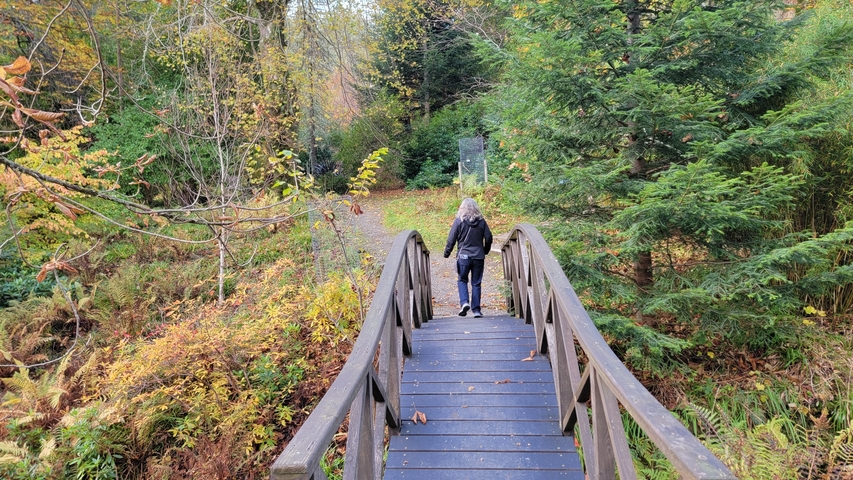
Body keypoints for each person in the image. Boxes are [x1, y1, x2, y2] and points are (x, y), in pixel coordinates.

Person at [443, 198, 493, 317]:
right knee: (476, 283)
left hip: (464, 256)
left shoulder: (459, 221)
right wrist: (485, 250)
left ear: (462, 208)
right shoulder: (481, 221)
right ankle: (476, 310)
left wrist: (447, 253)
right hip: (478, 257)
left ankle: (464, 302)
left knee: (462, 279)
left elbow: (451, 239)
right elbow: (489, 237)